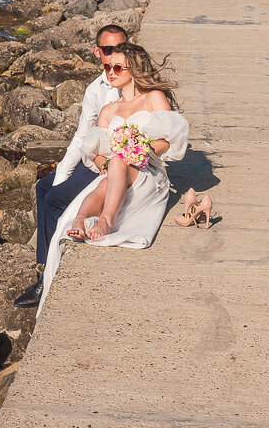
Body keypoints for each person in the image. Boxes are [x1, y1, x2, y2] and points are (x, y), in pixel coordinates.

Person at [37, 42, 190, 315]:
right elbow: (95, 154)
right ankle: (82, 220)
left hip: (148, 170)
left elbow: (169, 141)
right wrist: (106, 161)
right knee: (106, 177)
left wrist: (140, 150)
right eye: (107, 67)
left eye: (117, 67)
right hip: (116, 171)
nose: (110, 72)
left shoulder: (154, 97)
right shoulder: (109, 111)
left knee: (118, 164)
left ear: (133, 68)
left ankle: (105, 221)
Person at [13, 25, 127, 308]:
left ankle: (50, 281)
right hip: (95, 160)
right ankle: (45, 267)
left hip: (117, 165)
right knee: (44, 186)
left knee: (53, 200)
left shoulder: (131, 84)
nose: (115, 55)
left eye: (121, 47)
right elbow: (81, 137)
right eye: (109, 50)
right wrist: (61, 176)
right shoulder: (94, 90)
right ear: (97, 52)